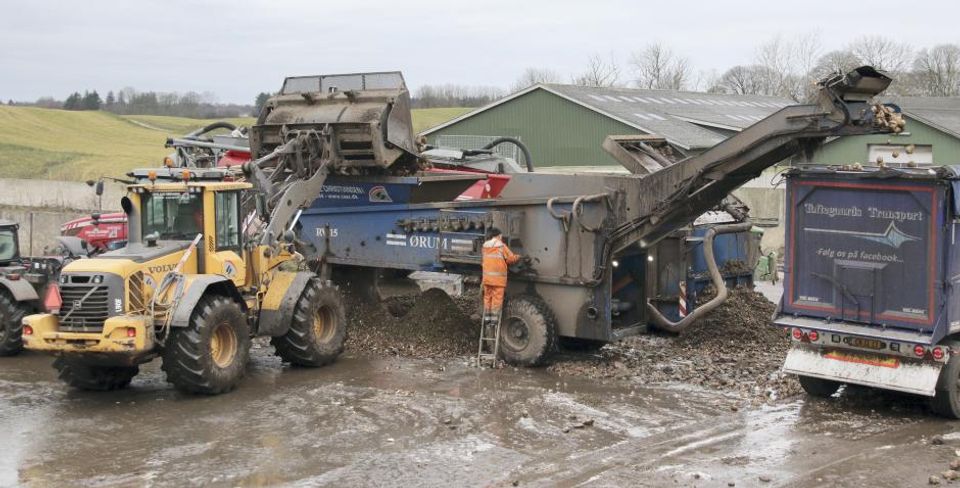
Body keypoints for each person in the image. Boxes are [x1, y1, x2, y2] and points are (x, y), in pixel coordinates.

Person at [481, 227, 521, 327]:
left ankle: (487, 318)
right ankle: (494, 321)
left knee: (487, 298)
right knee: (497, 300)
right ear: (499, 236)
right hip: (498, 280)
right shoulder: (502, 246)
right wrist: (518, 257)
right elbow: (510, 259)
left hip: (487, 279)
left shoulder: (485, 247)